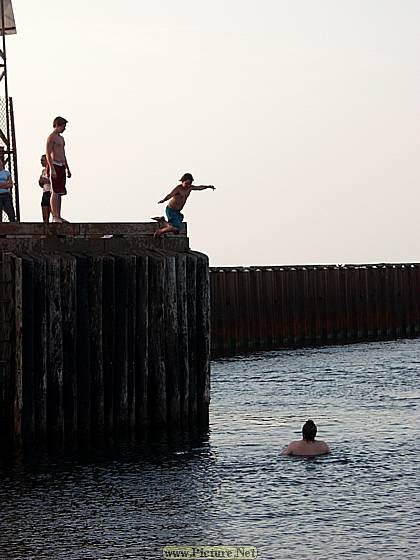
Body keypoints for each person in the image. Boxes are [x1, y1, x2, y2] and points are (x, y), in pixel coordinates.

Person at [152, 172, 215, 237]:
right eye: (186, 183)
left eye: (189, 183)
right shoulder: (178, 188)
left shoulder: (190, 188)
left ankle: (162, 221)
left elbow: (199, 187)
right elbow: (170, 195)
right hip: (171, 210)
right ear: (182, 181)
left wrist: (208, 186)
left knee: (176, 231)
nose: (188, 185)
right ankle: (160, 231)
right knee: (176, 227)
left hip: (177, 212)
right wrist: (164, 200)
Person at [46, 116, 72, 223]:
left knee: (60, 191)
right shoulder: (51, 137)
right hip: (54, 165)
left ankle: (59, 215)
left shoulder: (61, 139)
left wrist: (67, 168)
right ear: (57, 125)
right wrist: (51, 168)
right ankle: (55, 216)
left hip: (61, 165)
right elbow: (48, 153)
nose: (64, 128)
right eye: (62, 126)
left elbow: (63, 154)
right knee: (55, 191)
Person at [0, 158, 15, 222]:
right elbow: (8, 184)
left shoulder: (6, 172)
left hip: (6, 195)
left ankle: (13, 224)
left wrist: (1, 185)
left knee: (10, 211)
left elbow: (10, 184)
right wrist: (6, 183)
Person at [38, 154, 52, 223]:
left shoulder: (51, 169)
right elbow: (41, 183)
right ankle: (46, 232)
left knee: (54, 214)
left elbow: (52, 181)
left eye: (42, 160)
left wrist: (43, 180)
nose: (41, 162)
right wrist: (42, 181)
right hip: (45, 193)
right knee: (45, 217)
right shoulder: (43, 171)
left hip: (51, 193)